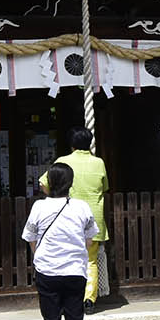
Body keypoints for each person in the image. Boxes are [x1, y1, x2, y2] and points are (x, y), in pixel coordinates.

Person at [22, 161, 98, 320]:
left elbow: (30, 237)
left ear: (50, 182)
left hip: (48, 271)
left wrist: (40, 258)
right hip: (75, 270)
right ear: (70, 183)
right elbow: (90, 237)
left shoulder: (39, 207)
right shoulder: (81, 207)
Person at [39, 126, 110, 308]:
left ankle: (70, 298)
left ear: (71, 144)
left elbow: (43, 182)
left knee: (68, 257)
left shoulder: (63, 161)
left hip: (67, 217)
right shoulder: (99, 163)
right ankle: (89, 299)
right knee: (91, 260)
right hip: (93, 217)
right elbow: (104, 187)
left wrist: (54, 197)